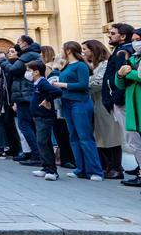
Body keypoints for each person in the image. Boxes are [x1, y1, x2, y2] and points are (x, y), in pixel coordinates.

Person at [51, 41, 104, 181]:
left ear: (68, 50)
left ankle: (96, 171)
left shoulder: (81, 65)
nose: (61, 51)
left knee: (85, 137)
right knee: (73, 137)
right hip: (67, 103)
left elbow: (83, 84)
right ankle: (80, 169)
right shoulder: (67, 66)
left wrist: (62, 84)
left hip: (80, 103)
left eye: (63, 49)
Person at [82, 40, 123, 179]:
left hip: (105, 103)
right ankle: (107, 166)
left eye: (85, 49)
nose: (83, 52)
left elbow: (99, 82)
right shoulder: (94, 66)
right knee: (100, 137)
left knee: (111, 136)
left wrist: (83, 83)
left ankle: (116, 168)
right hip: (96, 103)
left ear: (94, 50)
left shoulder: (105, 64)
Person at [0, 36, 41, 163]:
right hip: (24, 93)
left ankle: (36, 154)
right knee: (26, 125)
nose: (17, 45)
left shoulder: (27, 55)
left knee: (24, 125)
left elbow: (13, 69)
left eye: (18, 43)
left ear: (25, 43)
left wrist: (3, 60)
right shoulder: (31, 55)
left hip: (25, 94)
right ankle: (30, 152)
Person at [27, 60, 62, 180]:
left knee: (43, 142)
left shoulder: (42, 83)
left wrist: (47, 100)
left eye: (29, 70)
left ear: (36, 72)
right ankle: (46, 167)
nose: (28, 73)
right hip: (38, 116)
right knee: (43, 143)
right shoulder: (37, 83)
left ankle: (52, 171)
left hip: (44, 117)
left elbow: (57, 91)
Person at [116, 29, 141, 187]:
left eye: (138, 39)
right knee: (136, 143)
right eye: (134, 39)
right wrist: (120, 74)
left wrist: (128, 73)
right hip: (133, 108)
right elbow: (119, 84)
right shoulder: (132, 58)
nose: (135, 42)